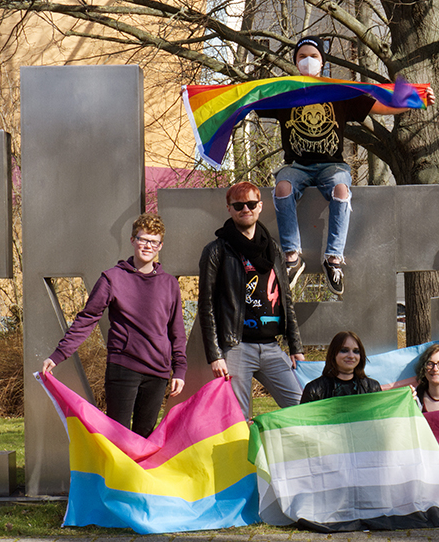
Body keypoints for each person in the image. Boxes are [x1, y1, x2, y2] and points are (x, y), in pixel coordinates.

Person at [257, 36, 436, 296]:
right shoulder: (286, 92)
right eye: (302, 57)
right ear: (296, 62)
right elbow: (246, 100)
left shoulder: (337, 92)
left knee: (341, 191)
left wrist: (417, 100)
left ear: (322, 62)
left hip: (332, 166)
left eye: (314, 56)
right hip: (297, 166)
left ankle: (333, 259)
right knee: (282, 187)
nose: (308, 61)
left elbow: (379, 104)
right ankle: (292, 257)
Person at [42, 213, 187, 438]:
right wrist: (59, 355)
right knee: (117, 437)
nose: (148, 246)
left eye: (153, 241)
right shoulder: (112, 279)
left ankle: (135, 475)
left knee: (144, 437)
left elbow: (177, 331)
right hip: (124, 368)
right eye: (143, 239)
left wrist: (179, 369)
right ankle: (113, 475)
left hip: (158, 372)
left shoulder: (169, 284)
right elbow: (87, 319)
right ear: (132, 240)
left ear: (160, 246)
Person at [198, 181, 305, 420]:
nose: (245, 209)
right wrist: (215, 355)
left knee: (301, 406)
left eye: (251, 204)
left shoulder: (273, 249)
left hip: (271, 346)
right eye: (238, 205)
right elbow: (206, 305)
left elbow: (286, 299)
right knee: (238, 418)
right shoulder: (217, 251)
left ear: (260, 207)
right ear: (229, 209)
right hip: (237, 347)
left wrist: (296, 347)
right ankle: (245, 458)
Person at [300, 331, 382, 402]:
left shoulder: (372, 388)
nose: (351, 356)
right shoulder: (314, 390)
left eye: (356, 351)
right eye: (344, 350)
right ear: (333, 354)